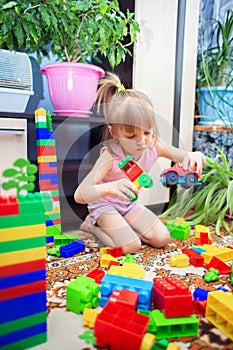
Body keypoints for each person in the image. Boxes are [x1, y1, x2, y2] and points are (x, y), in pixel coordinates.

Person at [74, 72, 206, 254]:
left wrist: (194, 155)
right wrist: (112, 187)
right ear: (114, 133)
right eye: (131, 136)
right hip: (105, 205)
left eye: (147, 132)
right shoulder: (110, 156)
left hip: (129, 204)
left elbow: (183, 156)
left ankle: (124, 226)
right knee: (131, 246)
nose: (142, 142)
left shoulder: (153, 146)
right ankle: (91, 226)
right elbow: (80, 194)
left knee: (162, 238)